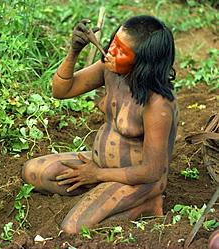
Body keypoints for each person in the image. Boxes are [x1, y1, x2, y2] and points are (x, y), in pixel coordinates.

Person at [22, 15, 180, 234]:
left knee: (74, 228)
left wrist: (96, 175)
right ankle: (103, 190)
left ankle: (147, 205)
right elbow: (61, 91)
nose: (111, 52)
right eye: (113, 43)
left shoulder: (157, 103)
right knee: (33, 172)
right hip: (100, 166)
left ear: (144, 62)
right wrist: (74, 51)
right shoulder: (111, 70)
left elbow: (152, 171)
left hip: (141, 180)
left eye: (122, 51)